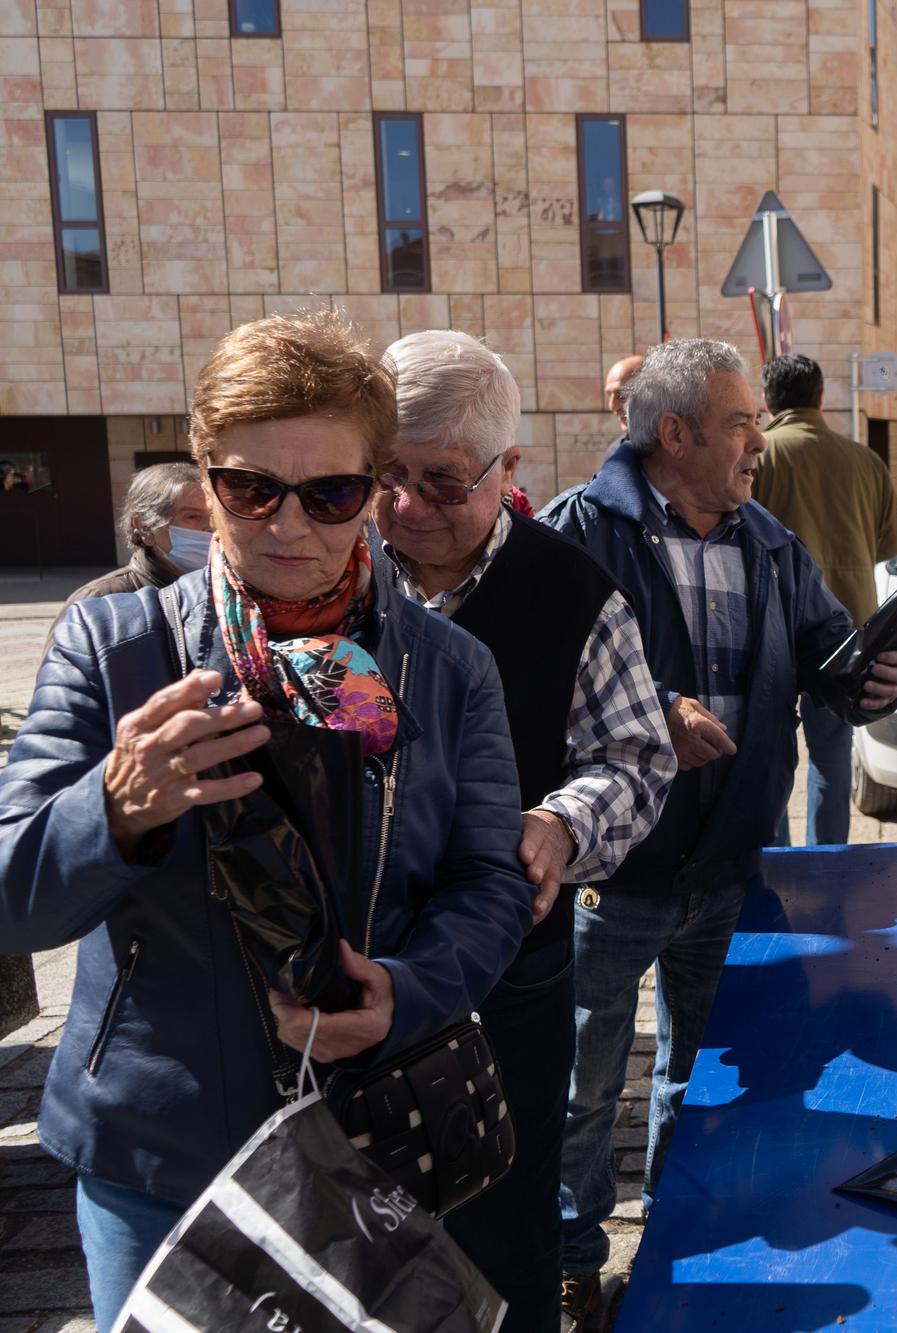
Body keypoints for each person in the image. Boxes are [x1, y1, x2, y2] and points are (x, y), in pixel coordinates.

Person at [0, 308, 535, 1327]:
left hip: (374, 1137)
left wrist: (408, 990)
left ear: (373, 491)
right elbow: (11, 899)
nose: (290, 525)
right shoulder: (114, 647)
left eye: (329, 493)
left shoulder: (448, 668)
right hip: (164, 1153)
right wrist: (111, 809)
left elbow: (491, 881)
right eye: (252, 489)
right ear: (206, 482)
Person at [539, 339, 897, 1326]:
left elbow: (824, 655)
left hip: (732, 866)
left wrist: (877, 674)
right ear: (675, 433)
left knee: (699, 1075)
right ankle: (576, 1265)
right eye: (741, 423)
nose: (758, 443)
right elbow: (538, 671)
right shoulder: (580, 531)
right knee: (581, 1081)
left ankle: (669, 1239)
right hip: (611, 870)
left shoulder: (768, 542)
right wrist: (651, 708)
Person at [374, 330, 677, 1333]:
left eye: (442, 481)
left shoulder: (572, 588)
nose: (405, 507)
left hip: (506, 976)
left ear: (509, 472)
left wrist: (559, 820)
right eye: (386, 474)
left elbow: (635, 754)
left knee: (500, 1235)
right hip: (350, 972)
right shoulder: (330, 561)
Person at [750, 353, 897, 845]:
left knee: (771, 759)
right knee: (832, 755)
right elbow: (892, 543)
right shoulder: (863, 459)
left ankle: (777, 866)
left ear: (768, 402)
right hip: (849, 631)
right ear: (820, 397)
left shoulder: (759, 456)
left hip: (772, 634)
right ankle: (831, 864)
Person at [48, 462, 212, 655]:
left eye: (213, 516)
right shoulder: (99, 599)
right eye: (192, 517)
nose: (210, 527)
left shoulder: (224, 590)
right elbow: (61, 678)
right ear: (144, 528)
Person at [603, 354, 645, 437]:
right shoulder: (615, 449)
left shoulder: (675, 446)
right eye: (609, 395)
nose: (612, 406)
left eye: (622, 394)